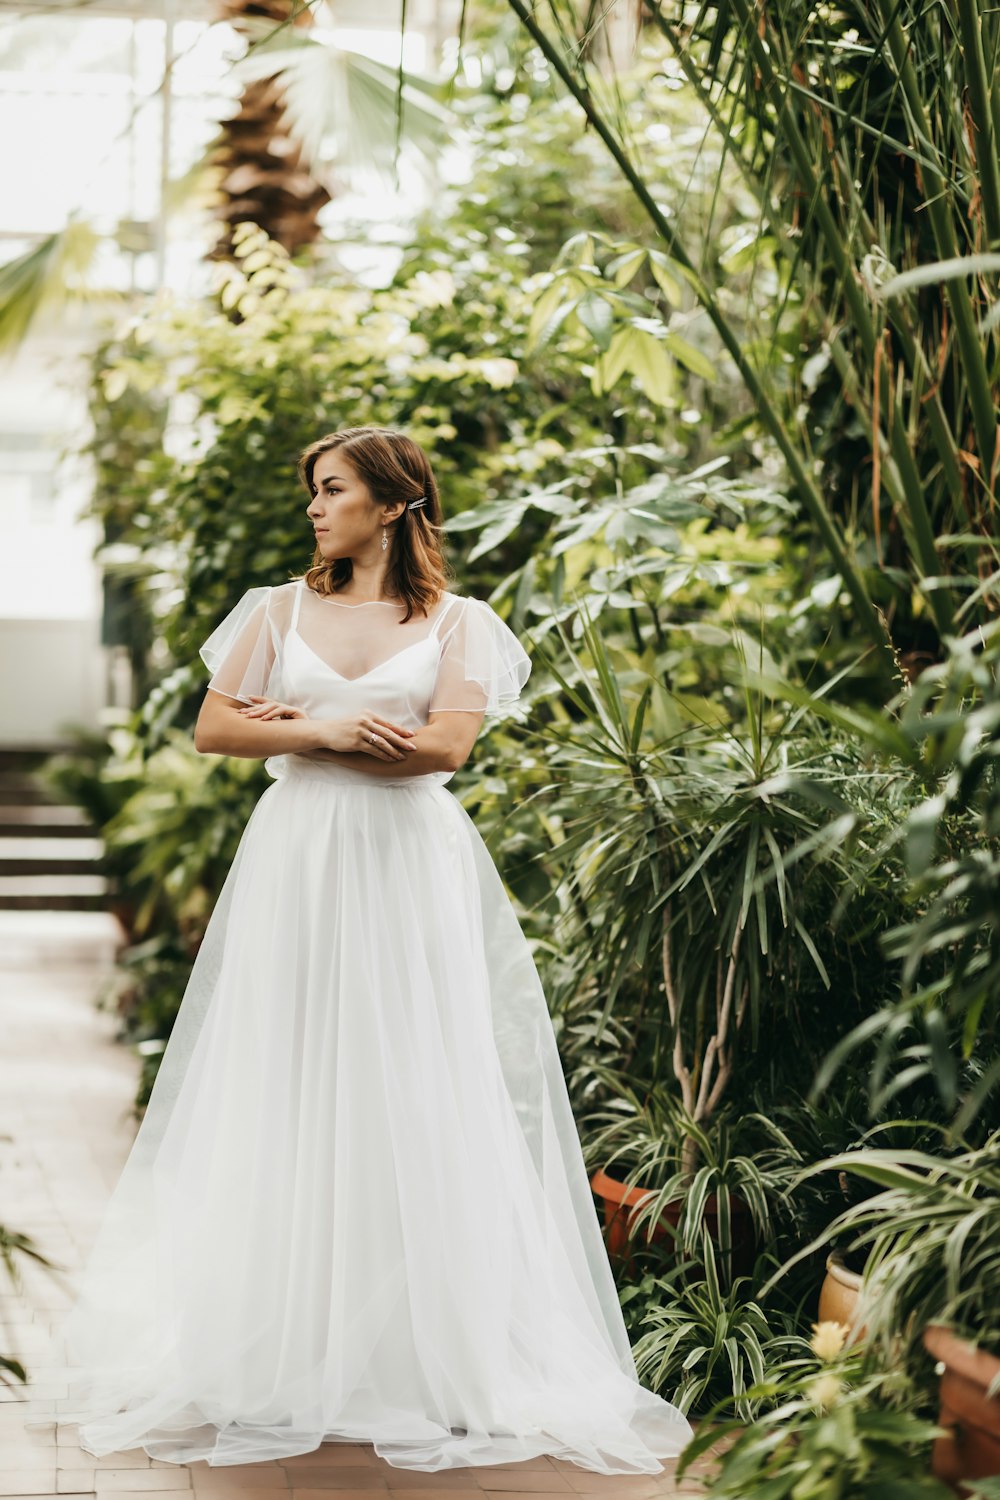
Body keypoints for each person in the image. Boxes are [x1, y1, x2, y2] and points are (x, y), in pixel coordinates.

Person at [23, 425, 693, 1472]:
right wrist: (324, 734)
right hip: (298, 858)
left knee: (413, 1079)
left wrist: (313, 726)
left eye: (330, 491)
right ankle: (278, 1343)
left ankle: (412, 1355)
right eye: (313, 493)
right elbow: (215, 727)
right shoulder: (274, 611)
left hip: (407, 864)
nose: (313, 509)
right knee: (288, 1076)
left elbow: (446, 747)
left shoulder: (460, 623)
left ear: (390, 504)